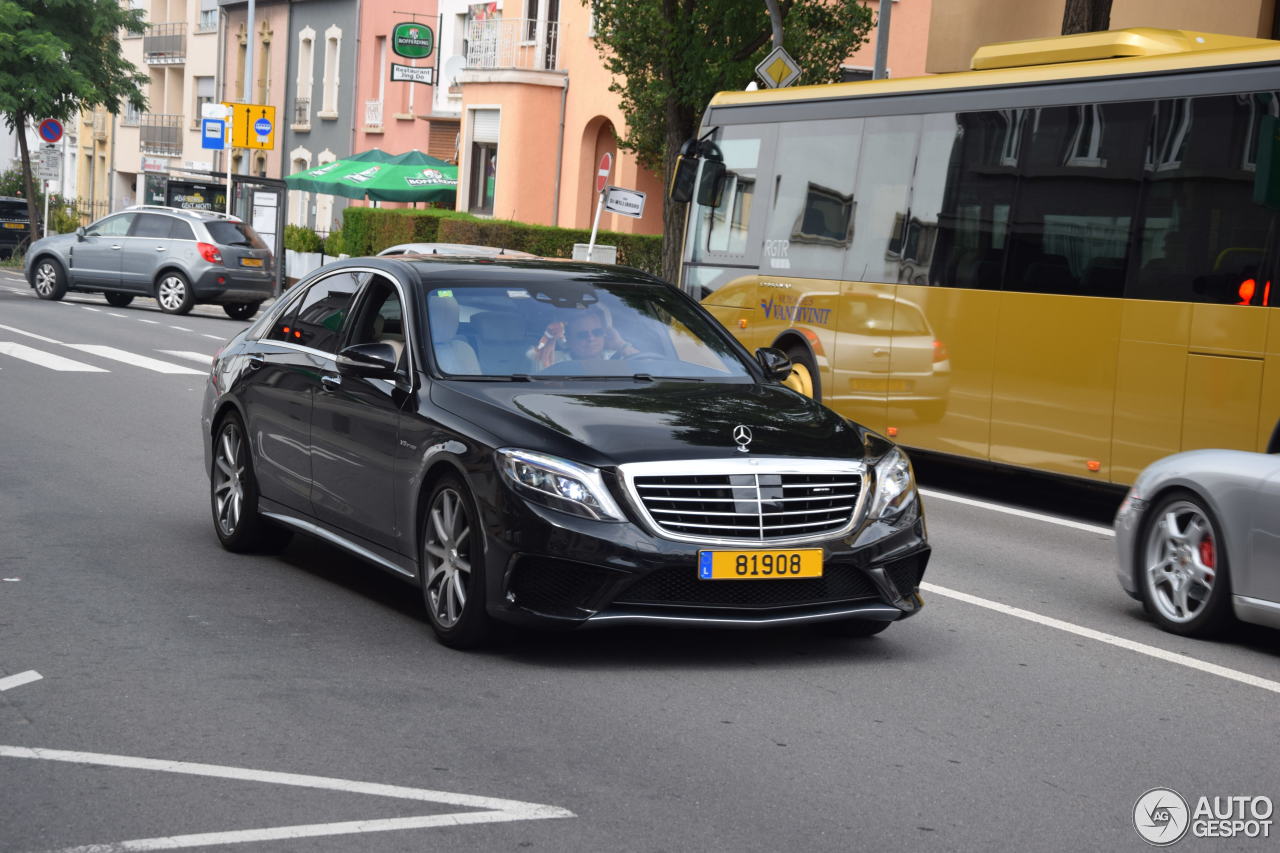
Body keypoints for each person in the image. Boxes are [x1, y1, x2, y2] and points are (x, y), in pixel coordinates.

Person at [529, 306, 638, 369]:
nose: (591, 338)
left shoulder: (619, 357)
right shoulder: (555, 360)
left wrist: (621, 345)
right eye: (583, 335)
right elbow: (532, 356)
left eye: (597, 332)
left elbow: (648, 366)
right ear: (568, 339)